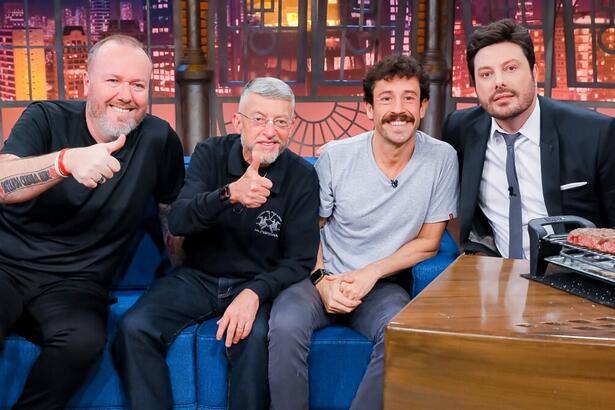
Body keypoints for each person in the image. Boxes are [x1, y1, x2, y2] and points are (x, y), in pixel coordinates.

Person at [113, 77, 320, 410]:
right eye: (259, 119)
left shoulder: (301, 177)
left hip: (256, 284)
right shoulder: (210, 153)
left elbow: (299, 260)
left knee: (253, 343)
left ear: (291, 126)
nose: (270, 130)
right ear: (237, 122)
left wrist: (254, 293)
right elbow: (179, 221)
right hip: (198, 277)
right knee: (134, 328)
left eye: (280, 121)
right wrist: (229, 194)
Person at [0, 35, 184, 409]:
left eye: (138, 85)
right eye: (112, 81)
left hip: (77, 285)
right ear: (87, 83)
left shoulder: (157, 139)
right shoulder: (45, 117)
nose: (126, 95)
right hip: (7, 266)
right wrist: (65, 162)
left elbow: (171, 212)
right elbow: (3, 182)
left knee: (83, 342)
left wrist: (187, 273)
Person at [268, 54, 459, 410]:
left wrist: (370, 274)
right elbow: (308, 229)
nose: (397, 109)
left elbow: (429, 243)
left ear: (423, 107)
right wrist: (323, 280)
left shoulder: (442, 159)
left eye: (408, 98)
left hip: (381, 285)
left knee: (401, 333)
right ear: (369, 109)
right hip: (320, 276)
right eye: (386, 98)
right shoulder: (338, 156)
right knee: (284, 325)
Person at [442, 18, 615, 259]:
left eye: (510, 68)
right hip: (493, 271)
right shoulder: (460, 128)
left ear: (534, 72)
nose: (499, 81)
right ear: (475, 85)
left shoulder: (595, 133)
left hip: (574, 270)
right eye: (486, 74)